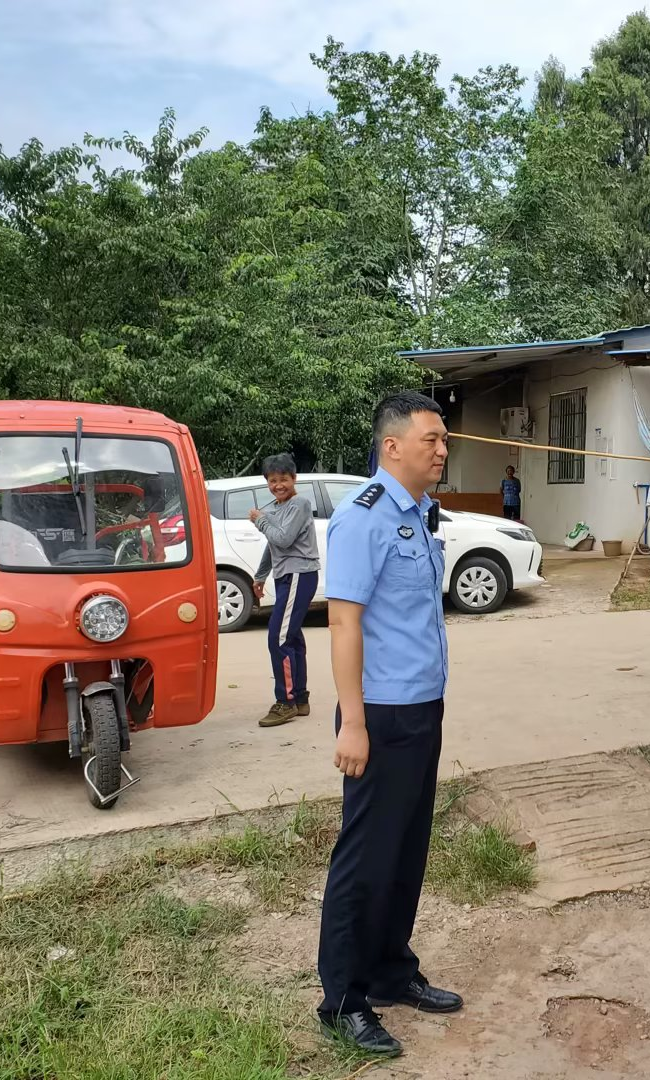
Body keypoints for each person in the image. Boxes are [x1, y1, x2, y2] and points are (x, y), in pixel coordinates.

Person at [315, 391, 460, 1057]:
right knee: (367, 856)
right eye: (432, 439)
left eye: (444, 438)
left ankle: (391, 971)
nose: (443, 449)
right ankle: (343, 999)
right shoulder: (363, 518)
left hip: (422, 705)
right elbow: (343, 623)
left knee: (405, 849)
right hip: (378, 713)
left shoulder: (419, 514)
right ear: (392, 446)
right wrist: (353, 722)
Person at [249, 454, 320, 727]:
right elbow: (273, 546)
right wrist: (260, 575)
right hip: (285, 576)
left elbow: (284, 539)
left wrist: (260, 520)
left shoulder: (299, 504)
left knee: (278, 638)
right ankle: (299, 698)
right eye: (272, 480)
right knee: (291, 637)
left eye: (284, 479)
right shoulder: (277, 508)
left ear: (294, 479)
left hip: (299, 573)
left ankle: (285, 702)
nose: (278, 485)